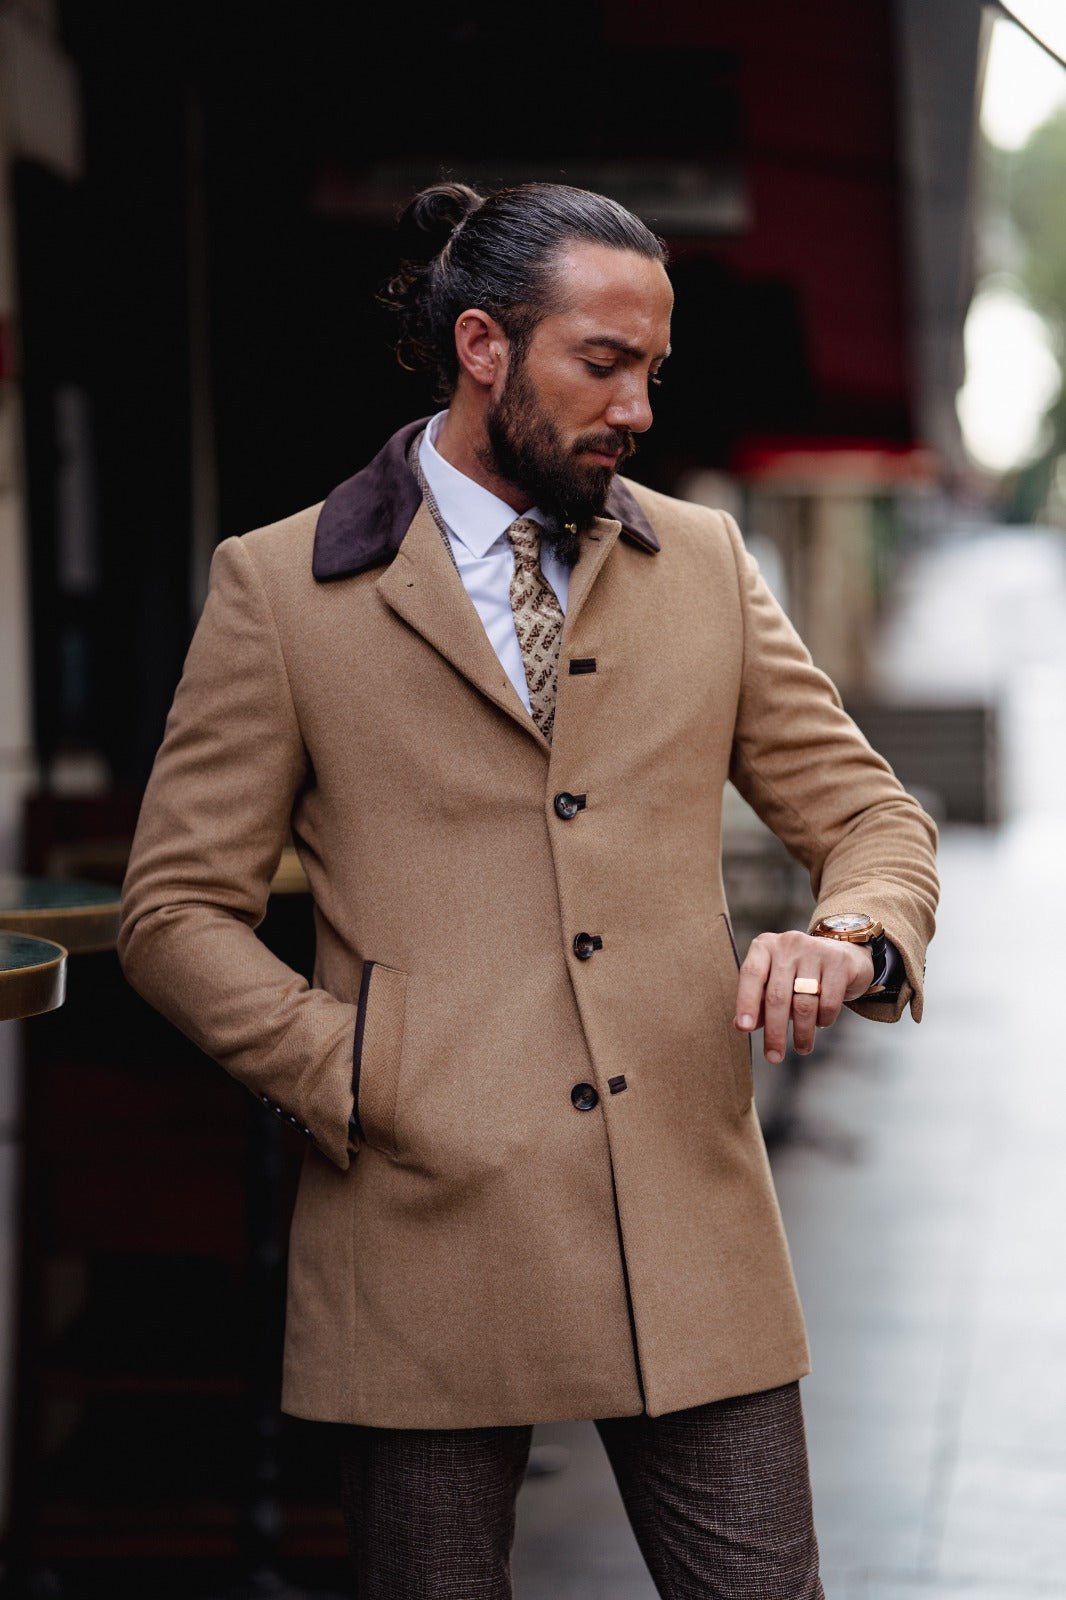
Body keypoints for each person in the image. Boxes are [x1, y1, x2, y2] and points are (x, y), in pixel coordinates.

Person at [118, 181, 939, 1598]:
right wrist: (355, 1070)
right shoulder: (280, 588)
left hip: (690, 1221)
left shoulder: (703, 563)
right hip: (418, 1231)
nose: (636, 408)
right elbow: (173, 912)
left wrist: (852, 936)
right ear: (483, 346)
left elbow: (868, 813)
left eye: (652, 371)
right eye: (602, 364)